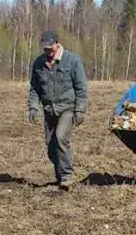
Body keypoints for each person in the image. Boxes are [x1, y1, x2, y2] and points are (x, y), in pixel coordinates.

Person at [27, 29, 89, 190]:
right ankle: (60, 174)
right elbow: (35, 88)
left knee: (61, 138)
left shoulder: (72, 61)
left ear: (57, 43)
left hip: (67, 107)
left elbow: (81, 87)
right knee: (51, 145)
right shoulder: (39, 63)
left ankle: (68, 175)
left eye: (50, 47)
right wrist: (33, 107)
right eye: (44, 48)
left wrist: (80, 110)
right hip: (49, 109)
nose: (47, 50)